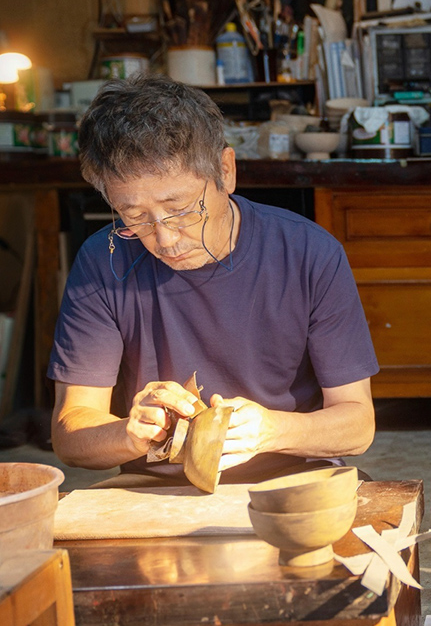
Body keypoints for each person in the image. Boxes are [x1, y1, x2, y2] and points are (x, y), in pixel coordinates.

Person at [48, 74, 379, 487]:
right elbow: (70, 431)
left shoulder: (309, 254)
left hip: (289, 476)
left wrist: (271, 430)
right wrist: (130, 433)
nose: (165, 239)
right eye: (134, 217)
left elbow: (357, 422)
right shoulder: (103, 260)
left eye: (182, 210)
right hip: (155, 487)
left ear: (225, 171)